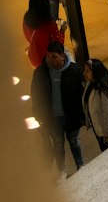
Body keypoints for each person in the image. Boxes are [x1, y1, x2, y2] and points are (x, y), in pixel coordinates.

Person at [30, 40, 84, 177]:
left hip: (71, 116)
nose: (50, 59)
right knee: (58, 145)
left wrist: (82, 115)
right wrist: (38, 115)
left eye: (54, 56)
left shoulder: (74, 70)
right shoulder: (40, 73)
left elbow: (80, 95)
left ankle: (80, 165)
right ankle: (62, 171)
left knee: (74, 142)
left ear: (62, 56)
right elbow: (36, 95)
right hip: (53, 118)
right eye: (48, 56)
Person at [82, 59, 108, 151]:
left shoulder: (104, 90)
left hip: (106, 131)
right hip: (99, 127)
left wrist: (107, 134)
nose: (84, 73)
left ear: (95, 72)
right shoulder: (92, 83)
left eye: (87, 71)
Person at [22, 0, 63, 68]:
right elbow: (58, 43)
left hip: (33, 58)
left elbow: (27, 36)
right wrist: (62, 30)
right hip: (48, 62)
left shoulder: (26, 18)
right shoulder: (50, 25)